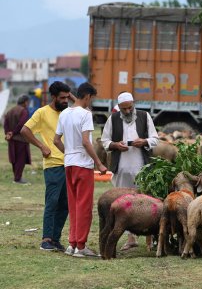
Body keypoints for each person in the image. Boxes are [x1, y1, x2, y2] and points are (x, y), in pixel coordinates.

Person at [54, 82, 107, 257]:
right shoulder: (86, 114)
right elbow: (86, 141)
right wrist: (99, 163)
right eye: (92, 99)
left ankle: (72, 243)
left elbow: (56, 140)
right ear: (88, 96)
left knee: (74, 205)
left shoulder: (64, 114)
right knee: (83, 206)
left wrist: (69, 153)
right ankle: (81, 246)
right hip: (82, 165)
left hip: (68, 163)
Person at [101, 91, 159, 250]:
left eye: (130, 108)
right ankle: (130, 238)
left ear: (133, 104)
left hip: (142, 168)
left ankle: (149, 240)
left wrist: (145, 141)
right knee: (123, 204)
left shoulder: (144, 116)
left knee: (145, 200)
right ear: (119, 107)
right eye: (124, 109)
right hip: (121, 168)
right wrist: (115, 145)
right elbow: (104, 141)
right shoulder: (112, 119)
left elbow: (155, 138)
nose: (128, 111)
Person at [21, 81, 73, 251]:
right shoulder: (42, 112)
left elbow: (85, 107)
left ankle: (56, 239)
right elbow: (25, 130)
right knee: (52, 201)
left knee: (65, 204)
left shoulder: (68, 113)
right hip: (53, 164)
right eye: (63, 98)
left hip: (70, 163)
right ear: (53, 97)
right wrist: (42, 146)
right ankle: (46, 239)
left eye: (68, 97)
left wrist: (71, 97)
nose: (66, 100)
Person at [4, 94, 31, 184]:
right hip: (21, 139)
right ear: (25, 102)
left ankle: (16, 176)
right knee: (21, 159)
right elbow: (22, 124)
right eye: (28, 102)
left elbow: (5, 124)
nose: (28, 104)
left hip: (11, 139)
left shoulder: (10, 110)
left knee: (14, 159)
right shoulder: (24, 111)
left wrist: (8, 133)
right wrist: (13, 132)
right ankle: (18, 178)